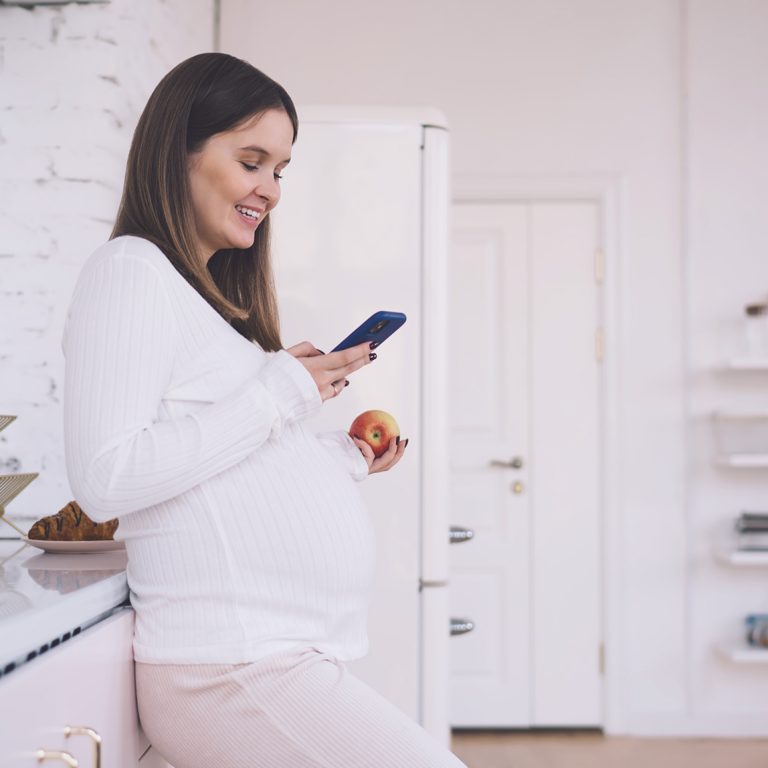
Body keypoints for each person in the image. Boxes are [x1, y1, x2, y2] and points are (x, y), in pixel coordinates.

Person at [62, 52, 468, 768]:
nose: (270, 190)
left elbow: (217, 471)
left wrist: (335, 458)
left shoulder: (202, 306)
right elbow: (107, 474)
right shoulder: (129, 272)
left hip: (267, 657)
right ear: (177, 151)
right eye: (252, 161)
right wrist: (281, 393)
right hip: (229, 666)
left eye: (280, 170)